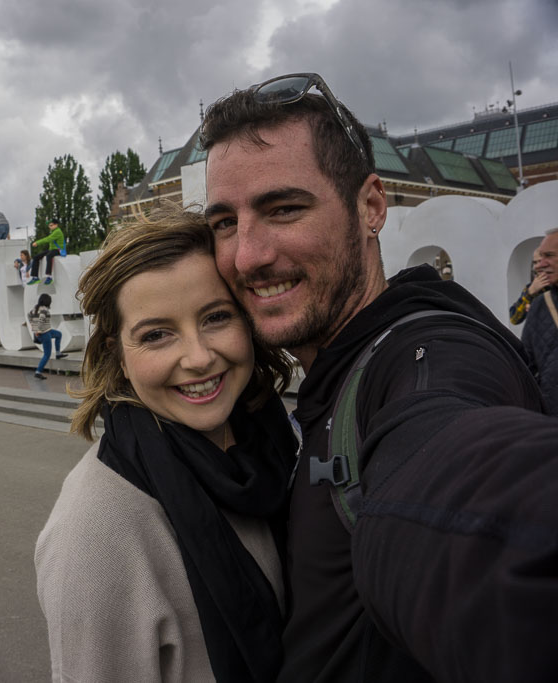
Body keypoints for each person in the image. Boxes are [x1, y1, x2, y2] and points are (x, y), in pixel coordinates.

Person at [200, 72, 558, 682]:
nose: (246, 255)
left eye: (283, 208)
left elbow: (459, 473)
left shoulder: (429, 358)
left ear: (371, 206)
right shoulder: (331, 376)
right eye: (224, 223)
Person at [36, 208, 297, 682]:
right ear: (116, 352)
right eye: (156, 335)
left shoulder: (278, 448)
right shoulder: (97, 533)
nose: (198, 357)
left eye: (216, 317)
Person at [521, 229, 558, 413]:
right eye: (537, 260)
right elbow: (515, 316)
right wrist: (529, 293)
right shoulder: (540, 304)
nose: (539, 266)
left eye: (549, 256)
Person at [28, 293, 68, 380]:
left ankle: (58, 353)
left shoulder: (34, 309)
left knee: (58, 334)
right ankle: (38, 372)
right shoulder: (44, 310)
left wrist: (34, 330)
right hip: (44, 333)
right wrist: (37, 331)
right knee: (47, 354)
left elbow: (30, 318)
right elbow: (41, 320)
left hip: (47, 331)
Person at [27, 220, 65, 286]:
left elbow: (48, 239)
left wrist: (37, 243)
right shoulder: (53, 232)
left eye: (51, 225)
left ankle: (49, 277)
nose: (50, 227)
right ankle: (35, 277)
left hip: (58, 250)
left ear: (56, 225)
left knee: (49, 256)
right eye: (49, 226)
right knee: (36, 257)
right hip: (51, 249)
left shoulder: (58, 232)